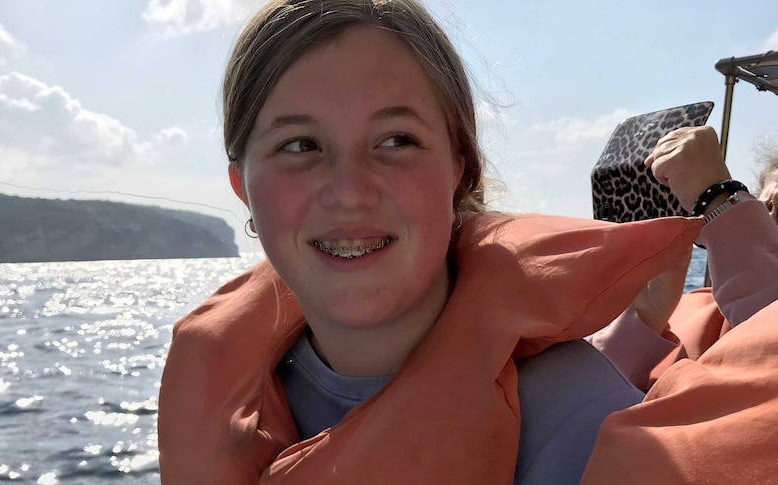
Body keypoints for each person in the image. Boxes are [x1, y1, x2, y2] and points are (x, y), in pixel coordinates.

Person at [157, 1, 778, 483]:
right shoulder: (221, 399)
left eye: (396, 140)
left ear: (460, 169)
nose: (349, 192)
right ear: (243, 187)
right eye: (300, 146)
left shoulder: (581, 424)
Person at [592, 133, 778, 390]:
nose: (768, 220)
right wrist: (644, 321)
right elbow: (579, 404)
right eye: (766, 206)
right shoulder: (687, 308)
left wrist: (716, 196)